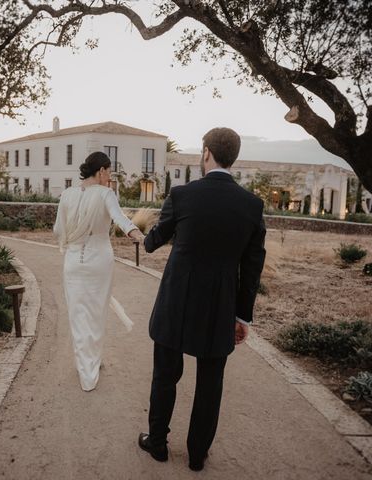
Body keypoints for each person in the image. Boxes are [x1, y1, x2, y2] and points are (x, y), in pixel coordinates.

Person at [137, 128, 266, 471]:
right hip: (219, 307)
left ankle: (158, 444)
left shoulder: (182, 196)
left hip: (176, 302)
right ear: (232, 156)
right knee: (211, 384)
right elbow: (252, 268)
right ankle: (197, 456)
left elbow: (154, 241)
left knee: (165, 375)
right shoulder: (252, 206)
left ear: (206, 152)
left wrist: (141, 235)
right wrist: (242, 317)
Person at [53, 151, 145, 391]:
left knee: (77, 313)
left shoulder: (66, 194)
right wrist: (138, 235)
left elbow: (57, 230)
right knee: (96, 312)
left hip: (73, 262)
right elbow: (121, 219)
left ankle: (86, 366)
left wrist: (73, 241)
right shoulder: (106, 194)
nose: (110, 177)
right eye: (109, 172)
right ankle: (90, 367)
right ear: (102, 170)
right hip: (100, 261)